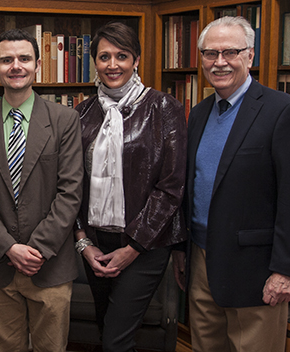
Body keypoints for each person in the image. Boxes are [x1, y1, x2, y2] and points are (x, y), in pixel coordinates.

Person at [172, 15, 290, 352]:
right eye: (210, 54)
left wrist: (285, 269)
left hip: (256, 270)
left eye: (230, 52)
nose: (219, 62)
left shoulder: (280, 110)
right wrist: (183, 250)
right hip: (201, 260)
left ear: (250, 56)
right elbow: (190, 186)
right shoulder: (199, 112)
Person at [0, 28, 83, 352]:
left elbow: (70, 191)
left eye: (24, 58)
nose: (15, 66)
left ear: (38, 65)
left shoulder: (65, 120)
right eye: (6, 60)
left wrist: (37, 249)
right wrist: (9, 248)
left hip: (50, 266)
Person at [73, 22, 187, 352]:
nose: (112, 65)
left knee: (115, 340)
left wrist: (133, 247)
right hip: (95, 244)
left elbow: (171, 186)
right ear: (94, 61)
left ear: (136, 59)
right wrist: (83, 243)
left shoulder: (164, 107)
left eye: (121, 56)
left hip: (145, 246)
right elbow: (70, 184)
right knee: (106, 331)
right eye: (104, 56)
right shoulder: (82, 112)